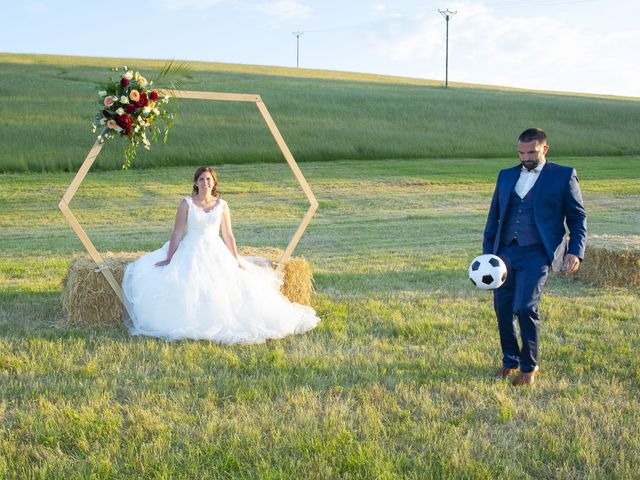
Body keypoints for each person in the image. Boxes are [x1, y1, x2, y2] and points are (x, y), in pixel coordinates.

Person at [122, 166, 320, 344]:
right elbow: (177, 232)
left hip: (215, 250)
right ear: (195, 183)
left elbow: (228, 235)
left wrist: (236, 259)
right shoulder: (187, 203)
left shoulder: (222, 205)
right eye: (201, 179)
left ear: (214, 182)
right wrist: (169, 257)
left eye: (208, 179)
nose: (205, 182)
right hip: (191, 249)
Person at [482, 128, 587, 386]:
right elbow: (493, 217)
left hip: (537, 252)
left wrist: (575, 251)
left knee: (526, 307)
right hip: (505, 252)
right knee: (503, 308)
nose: (525, 157)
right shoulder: (506, 176)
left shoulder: (563, 176)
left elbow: (577, 217)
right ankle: (510, 361)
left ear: (545, 149)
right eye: (521, 152)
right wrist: (487, 255)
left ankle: (529, 368)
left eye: (531, 152)